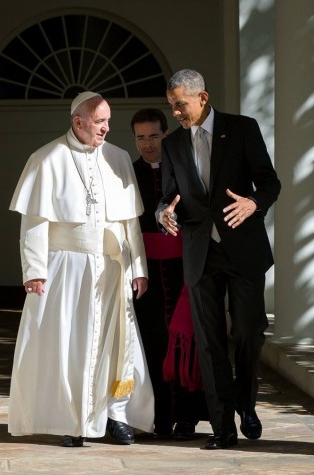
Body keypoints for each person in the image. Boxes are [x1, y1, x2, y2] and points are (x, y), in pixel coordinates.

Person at [8, 91, 154, 447]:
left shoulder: (118, 158)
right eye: (100, 121)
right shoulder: (47, 158)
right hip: (65, 268)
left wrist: (138, 267)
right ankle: (70, 421)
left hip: (111, 267)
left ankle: (116, 415)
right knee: (69, 344)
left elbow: (129, 223)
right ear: (78, 122)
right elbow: (34, 221)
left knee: (117, 344)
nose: (107, 128)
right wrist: (35, 270)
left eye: (108, 121)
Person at [156, 69, 281, 449]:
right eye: (171, 105)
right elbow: (168, 195)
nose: (176, 112)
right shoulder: (173, 144)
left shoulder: (242, 129)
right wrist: (163, 212)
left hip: (243, 250)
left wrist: (255, 202)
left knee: (246, 332)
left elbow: (269, 181)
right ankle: (223, 427)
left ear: (202, 98)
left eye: (180, 104)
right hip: (200, 255)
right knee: (209, 343)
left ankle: (246, 404)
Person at [131, 108, 207, 440]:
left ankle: (188, 417)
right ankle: (159, 417)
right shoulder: (127, 173)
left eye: (153, 136)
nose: (147, 144)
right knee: (153, 344)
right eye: (140, 137)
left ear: (165, 134)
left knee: (186, 341)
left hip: (182, 269)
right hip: (145, 272)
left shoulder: (183, 167)